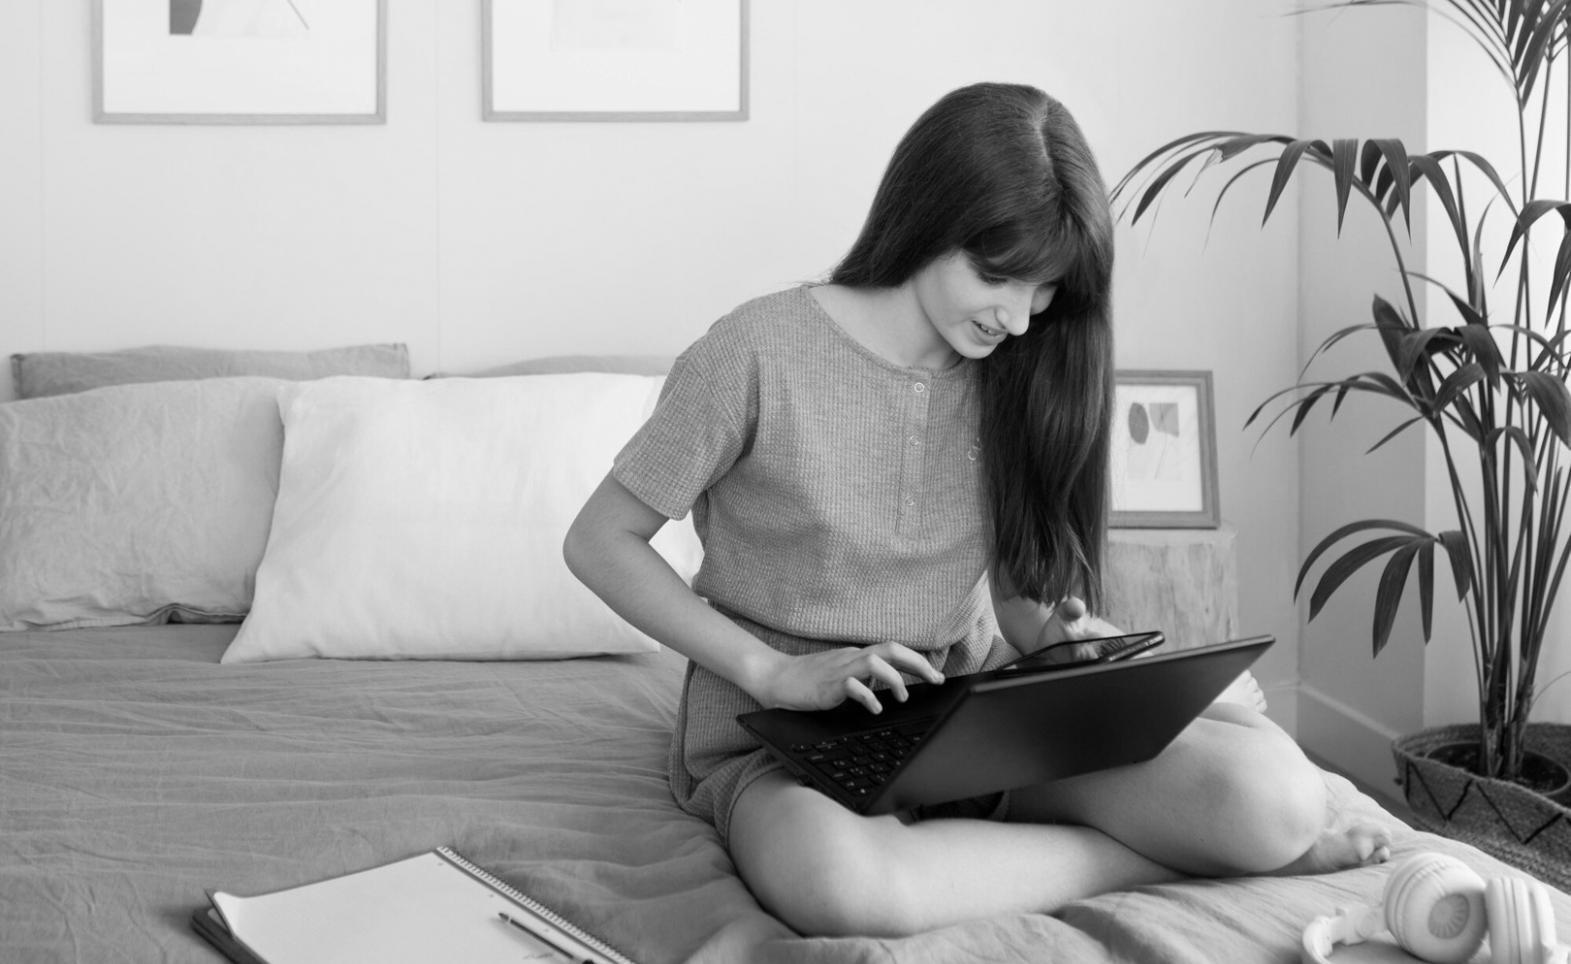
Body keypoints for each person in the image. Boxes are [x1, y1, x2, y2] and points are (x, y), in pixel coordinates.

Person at [564, 81, 1391, 943]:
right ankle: (1153, 860)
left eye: (1044, 289)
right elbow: (599, 540)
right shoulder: (752, 352)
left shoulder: (1018, 372)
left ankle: (1040, 849)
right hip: (785, 740)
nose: (1018, 317)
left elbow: (1013, 605)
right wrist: (771, 673)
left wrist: (1072, 645)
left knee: (1275, 799)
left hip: (975, 718)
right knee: (841, 888)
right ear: (927, 218)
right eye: (997, 277)